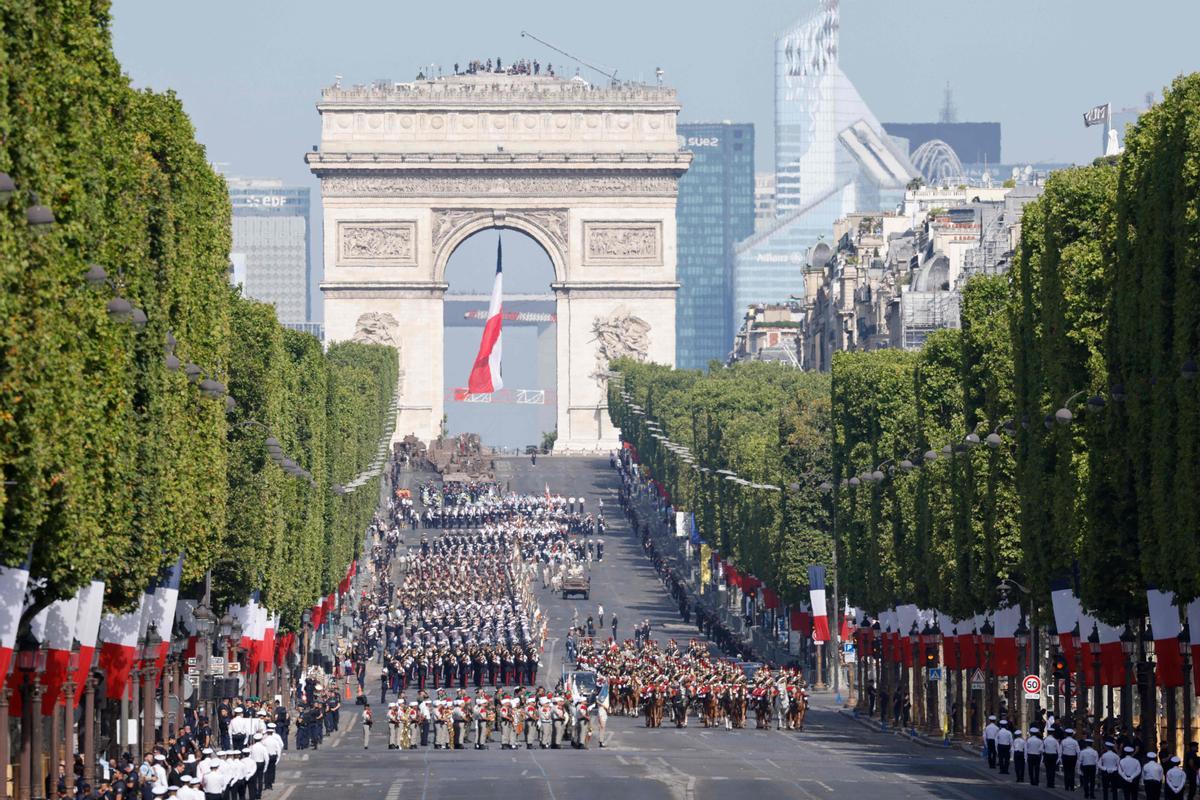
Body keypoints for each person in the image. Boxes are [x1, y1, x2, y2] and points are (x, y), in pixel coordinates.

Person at [1062, 728, 1082, 792]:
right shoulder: (1075, 742)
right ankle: (1072, 786)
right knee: (1072, 772)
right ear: (1072, 734)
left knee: (1066, 771)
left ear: (1066, 734)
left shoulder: (1063, 741)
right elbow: (1078, 751)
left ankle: (1066, 786)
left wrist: (1060, 758)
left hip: (1065, 757)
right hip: (1073, 757)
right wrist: (1079, 759)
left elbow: (1060, 750)